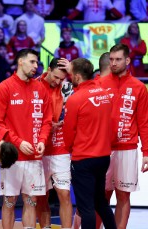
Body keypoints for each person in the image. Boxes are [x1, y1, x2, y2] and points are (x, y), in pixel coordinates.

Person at [0, 48, 52, 229]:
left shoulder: (41, 88)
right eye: (32, 62)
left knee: (31, 201)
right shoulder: (5, 87)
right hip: (12, 157)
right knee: (9, 202)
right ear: (20, 61)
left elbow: (47, 120)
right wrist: (18, 142)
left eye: (37, 63)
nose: (36, 66)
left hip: (34, 157)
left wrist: (42, 140)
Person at [64, 58, 116, 229]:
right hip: (103, 157)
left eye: (70, 74)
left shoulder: (75, 98)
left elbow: (69, 131)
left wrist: (69, 149)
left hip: (83, 159)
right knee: (101, 202)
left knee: (86, 207)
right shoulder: (104, 94)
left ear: (78, 77)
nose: (69, 76)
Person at [100, 44, 148, 229]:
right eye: (111, 59)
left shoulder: (139, 87)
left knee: (123, 195)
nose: (113, 63)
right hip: (102, 149)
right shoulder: (100, 84)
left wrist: (146, 152)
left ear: (127, 61)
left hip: (127, 149)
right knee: (102, 196)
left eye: (118, 59)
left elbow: (144, 122)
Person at [35, 58, 74, 229]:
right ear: (48, 70)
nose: (58, 82)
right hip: (40, 147)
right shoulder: (34, 85)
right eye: (56, 77)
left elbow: (91, 88)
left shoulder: (68, 87)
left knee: (64, 194)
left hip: (60, 147)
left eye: (62, 78)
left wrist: (71, 71)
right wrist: (48, 125)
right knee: (41, 195)